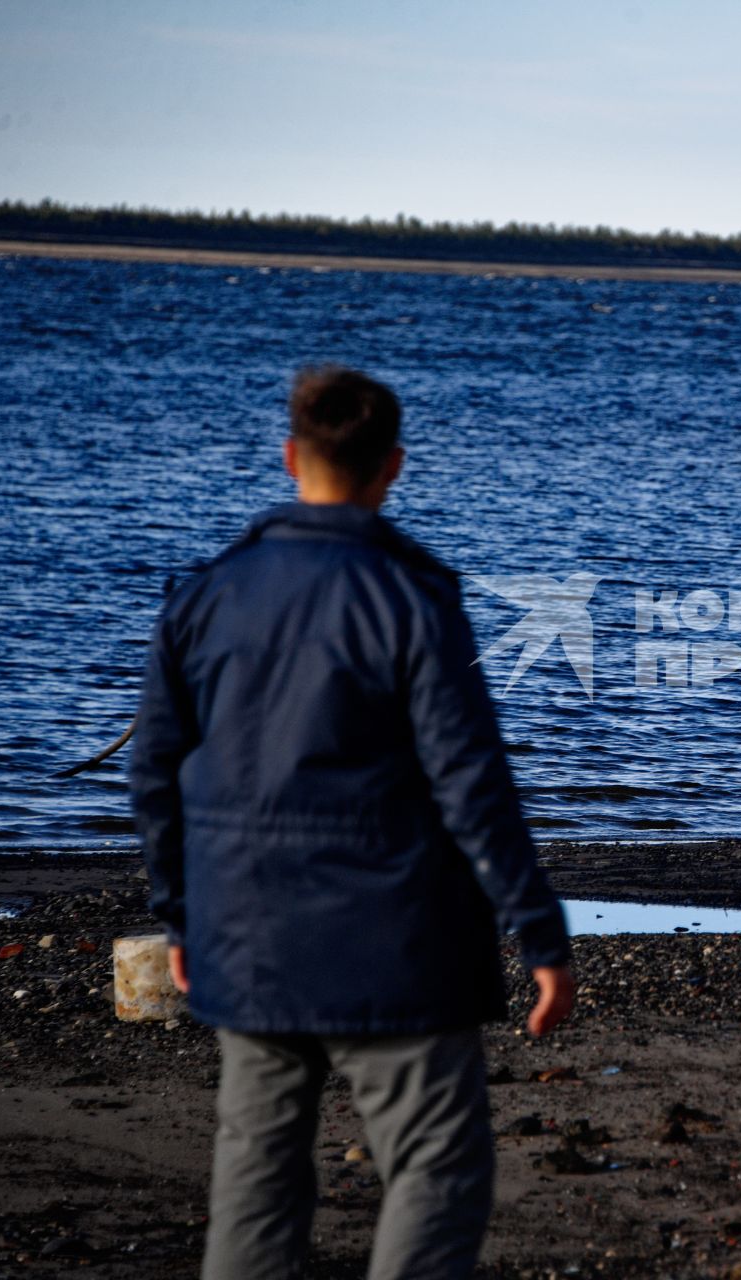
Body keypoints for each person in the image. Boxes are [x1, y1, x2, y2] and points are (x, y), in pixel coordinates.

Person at [130, 366, 574, 1280]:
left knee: (254, 1180)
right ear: (393, 467)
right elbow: (471, 779)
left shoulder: (207, 593)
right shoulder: (414, 595)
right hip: (397, 941)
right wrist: (538, 929)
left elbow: (157, 774)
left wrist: (181, 916)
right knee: (437, 1168)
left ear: (292, 456)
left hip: (248, 931)